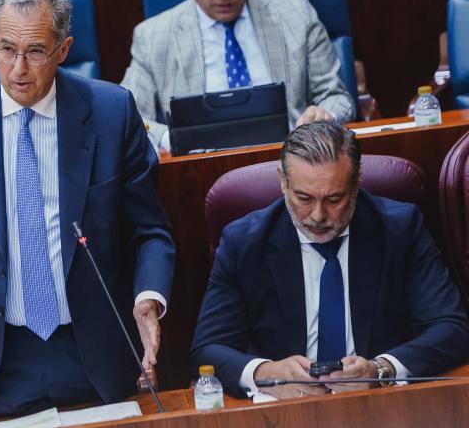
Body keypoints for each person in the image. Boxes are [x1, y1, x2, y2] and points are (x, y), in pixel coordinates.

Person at [0, 0, 176, 417]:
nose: (18, 69)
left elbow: (150, 231)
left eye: (35, 52)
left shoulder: (110, 111)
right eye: (7, 49)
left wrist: (149, 297)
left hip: (94, 350)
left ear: (63, 50)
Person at [190, 120, 469, 399]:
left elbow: (451, 328)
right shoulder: (244, 243)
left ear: (356, 183)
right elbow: (208, 348)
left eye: (334, 199)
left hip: (380, 406)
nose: (318, 216)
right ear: (283, 182)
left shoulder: (400, 230)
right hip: (287, 413)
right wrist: (265, 374)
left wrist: (380, 370)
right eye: (304, 198)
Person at [120, 0, 355, 153]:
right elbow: (130, 116)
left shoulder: (295, 10)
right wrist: (169, 139)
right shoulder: (153, 36)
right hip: (200, 168)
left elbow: (337, 97)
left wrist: (324, 116)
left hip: (291, 159)